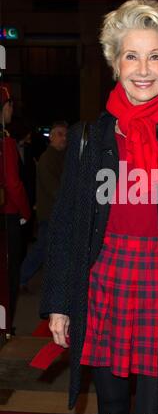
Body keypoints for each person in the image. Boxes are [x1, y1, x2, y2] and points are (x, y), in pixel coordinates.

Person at [40, 0, 158, 414]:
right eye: (131, 56)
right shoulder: (88, 138)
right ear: (114, 63)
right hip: (104, 280)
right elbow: (67, 226)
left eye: (154, 57)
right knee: (109, 400)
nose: (143, 70)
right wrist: (58, 302)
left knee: (156, 405)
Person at [19, 122, 67, 292]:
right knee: (42, 249)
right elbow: (54, 188)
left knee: (51, 249)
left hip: (56, 212)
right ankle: (21, 278)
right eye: (60, 134)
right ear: (52, 137)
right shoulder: (48, 158)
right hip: (50, 213)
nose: (64, 138)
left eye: (65, 134)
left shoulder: (62, 157)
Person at [0, 84, 31, 332]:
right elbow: (13, 183)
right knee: (7, 277)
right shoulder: (6, 143)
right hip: (7, 215)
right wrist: (26, 212)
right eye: (10, 106)